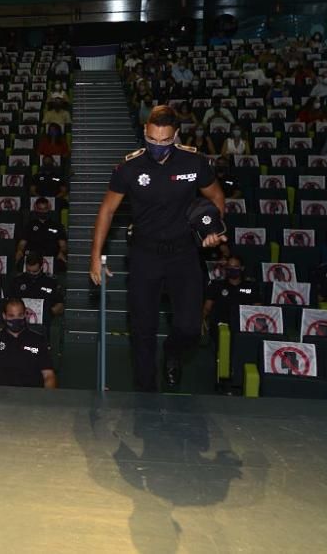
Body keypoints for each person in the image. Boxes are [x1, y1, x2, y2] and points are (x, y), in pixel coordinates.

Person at [90, 105, 226, 391]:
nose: (158, 146)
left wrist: (214, 229)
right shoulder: (129, 168)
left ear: (176, 135)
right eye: (152, 140)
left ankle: (173, 353)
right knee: (142, 331)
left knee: (190, 328)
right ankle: (145, 393)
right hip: (144, 255)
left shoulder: (194, 162)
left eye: (165, 141)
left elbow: (215, 196)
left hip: (184, 254)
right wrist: (95, 258)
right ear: (145, 133)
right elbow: (107, 211)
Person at [0, 298, 56, 388]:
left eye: (20, 315)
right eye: (11, 316)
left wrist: (47, 398)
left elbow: (48, 375)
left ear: (25, 315)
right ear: (4, 316)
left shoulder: (38, 340)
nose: (16, 319)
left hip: (30, 394)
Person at [201, 255, 262, 334]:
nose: (232, 269)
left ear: (242, 268)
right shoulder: (216, 285)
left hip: (244, 326)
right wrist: (201, 321)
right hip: (220, 327)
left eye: (236, 266)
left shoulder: (251, 286)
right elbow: (207, 308)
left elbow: (257, 309)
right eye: (229, 266)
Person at [6, 252, 65, 317]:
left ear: (41, 267)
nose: (31, 274)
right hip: (20, 318)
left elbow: (60, 306)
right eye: (28, 271)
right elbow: (9, 302)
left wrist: (48, 313)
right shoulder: (17, 281)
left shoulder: (51, 282)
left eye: (35, 272)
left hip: (45, 319)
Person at [16, 197, 67, 271]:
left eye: (45, 208)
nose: (43, 211)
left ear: (49, 208)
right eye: (40, 209)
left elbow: (63, 245)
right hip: (33, 259)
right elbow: (22, 244)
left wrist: (61, 252)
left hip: (51, 257)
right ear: (36, 209)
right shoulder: (29, 225)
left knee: (61, 265)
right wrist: (19, 251)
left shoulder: (57, 226)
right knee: (20, 264)